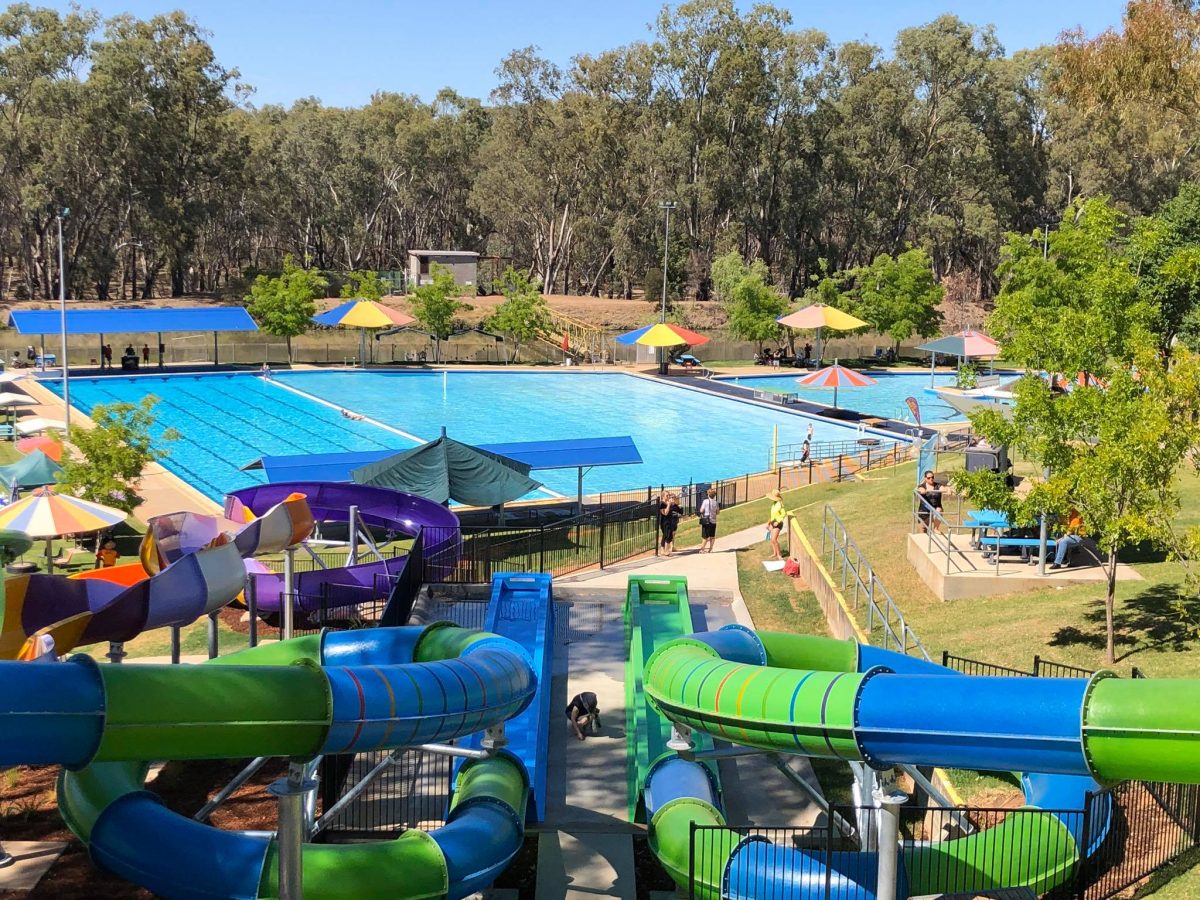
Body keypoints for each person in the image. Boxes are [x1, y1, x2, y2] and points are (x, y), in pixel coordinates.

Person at [658, 491, 681, 557]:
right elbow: (665, 513)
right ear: (663, 496)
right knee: (668, 536)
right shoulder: (662, 504)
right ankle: (666, 551)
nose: (668, 497)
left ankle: (662, 550)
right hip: (664, 522)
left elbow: (677, 504)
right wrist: (668, 505)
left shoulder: (668, 502)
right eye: (667, 496)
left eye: (668, 495)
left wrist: (674, 500)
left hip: (669, 521)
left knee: (665, 536)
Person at [766, 489, 786, 560]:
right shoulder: (774, 503)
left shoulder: (780, 504)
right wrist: (768, 523)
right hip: (772, 522)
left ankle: (779, 555)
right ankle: (774, 553)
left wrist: (778, 521)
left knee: (774, 539)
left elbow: (783, 514)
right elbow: (772, 515)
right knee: (772, 539)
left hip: (778, 523)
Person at [698, 487, 720, 553]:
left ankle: (702, 549)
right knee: (712, 536)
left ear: (708, 494)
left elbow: (701, 510)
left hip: (706, 521)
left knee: (705, 536)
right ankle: (711, 548)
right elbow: (718, 512)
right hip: (713, 521)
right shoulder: (716, 503)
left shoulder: (705, 501)